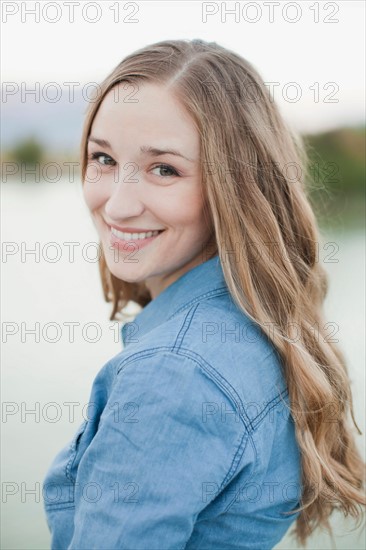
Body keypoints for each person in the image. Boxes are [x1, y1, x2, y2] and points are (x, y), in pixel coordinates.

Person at [42, 39, 365, 549]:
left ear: (234, 188)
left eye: (164, 169)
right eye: (102, 158)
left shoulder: (172, 374)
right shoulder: (252, 322)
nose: (118, 205)